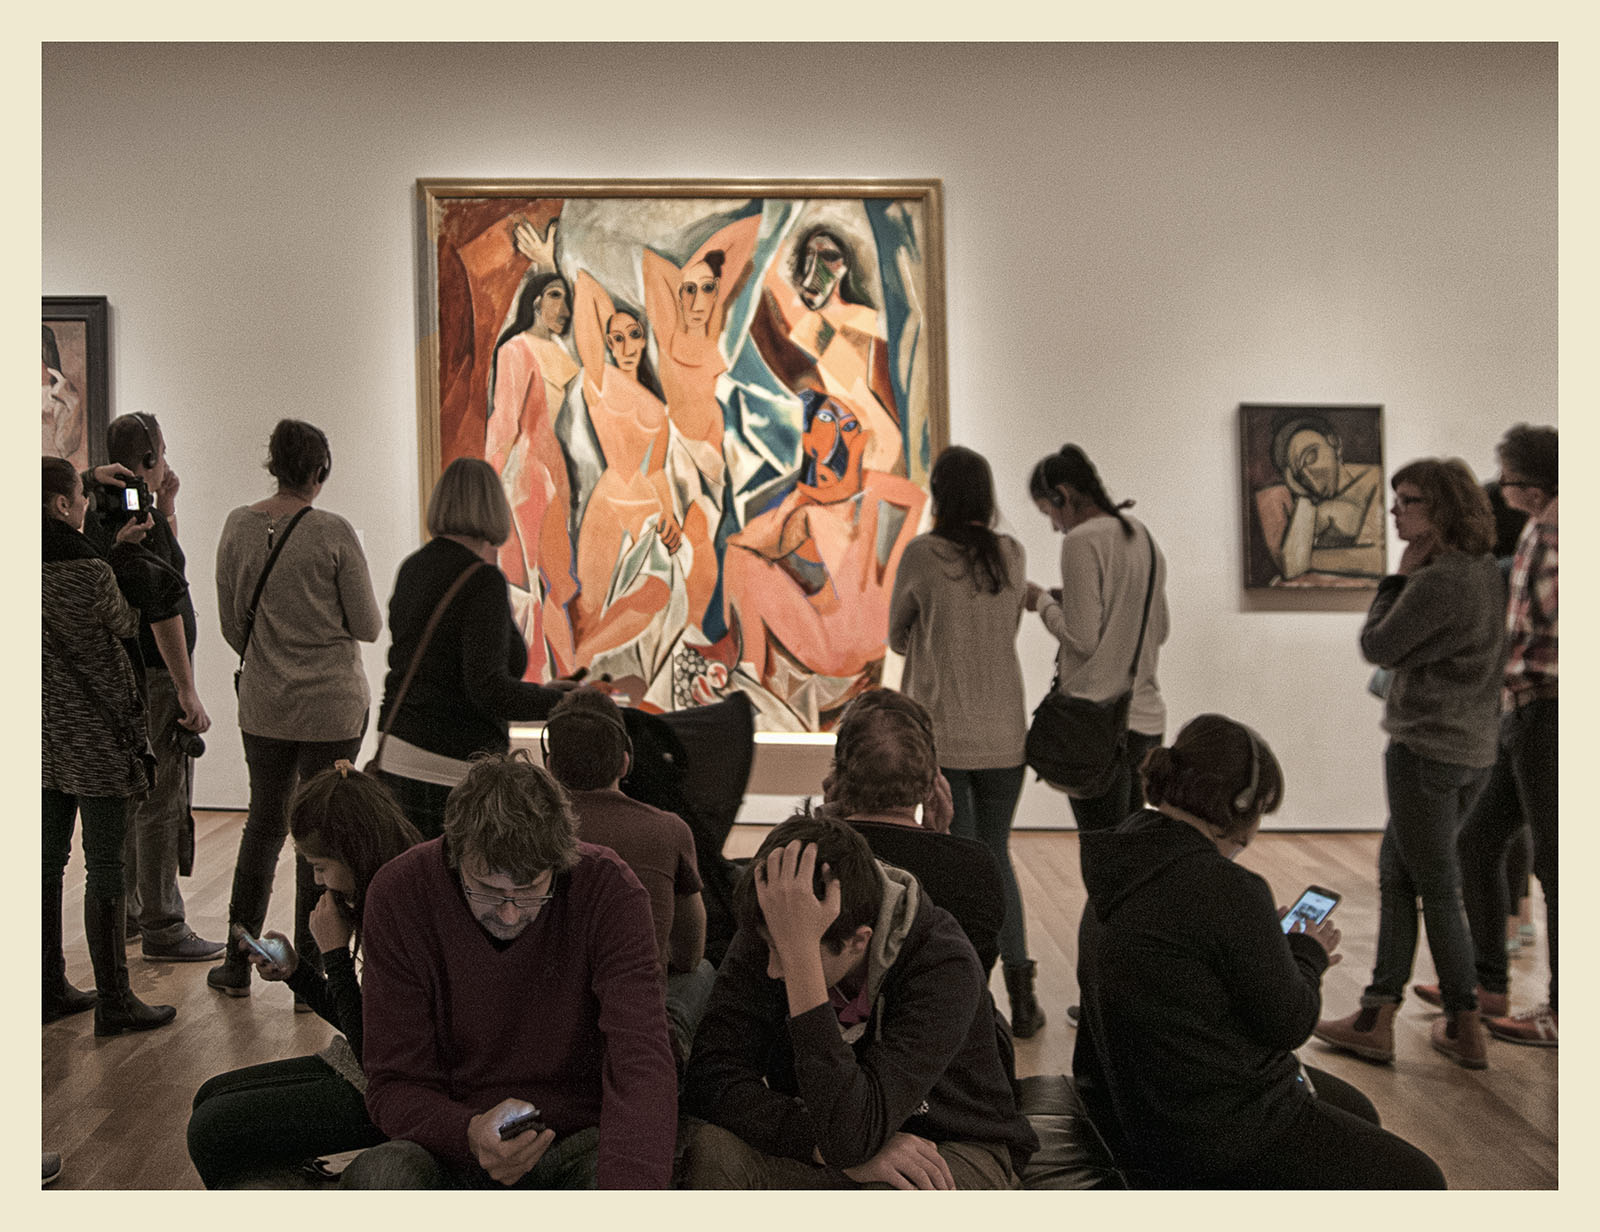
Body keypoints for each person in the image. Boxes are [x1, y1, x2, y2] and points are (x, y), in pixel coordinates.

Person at [1073, 713, 1445, 1188]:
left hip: (1132, 1105)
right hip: (1209, 1129)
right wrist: (1306, 955)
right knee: (1421, 1180)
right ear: (1242, 807)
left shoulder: (1123, 855)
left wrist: (1264, 946)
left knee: (1358, 1109)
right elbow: (1290, 1023)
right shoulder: (1227, 889)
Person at [341, 750, 677, 1189]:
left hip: (578, 1139)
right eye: (486, 889)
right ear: (455, 854)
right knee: (382, 1176)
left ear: (560, 863)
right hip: (452, 1145)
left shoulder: (609, 888)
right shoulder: (399, 892)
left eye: (531, 889)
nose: (510, 913)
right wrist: (467, 1132)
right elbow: (393, 1084)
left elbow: (641, 1060)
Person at [682, 813, 1037, 1189]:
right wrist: (816, 1143)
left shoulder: (943, 962)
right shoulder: (778, 926)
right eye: (771, 947)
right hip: (830, 1135)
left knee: (889, 1193)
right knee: (712, 1151)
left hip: (952, 1142)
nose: (771, 969)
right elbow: (710, 1078)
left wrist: (802, 967)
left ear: (858, 941)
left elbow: (849, 1138)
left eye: (787, 953)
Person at [1315, 459, 1505, 1069]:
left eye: (1408, 501)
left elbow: (1378, 645)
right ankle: (1376, 1013)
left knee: (1438, 890)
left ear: (1442, 508)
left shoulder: (1437, 580)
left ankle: (1465, 1023)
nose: (1395, 512)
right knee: (1397, 876)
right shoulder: (1482, 570)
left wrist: (1394, 581)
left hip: (1426, 751)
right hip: (1471, 749)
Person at [208, 419, 383, 1002]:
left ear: (273, 465)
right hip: (331, 705)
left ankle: (237, 963)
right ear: (319, 470)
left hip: (264, 703)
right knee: (319, 833)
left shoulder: (237, 526)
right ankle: (315, 972)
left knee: (263, 824)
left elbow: (232, 626)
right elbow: (368, 625)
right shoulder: (333, 531)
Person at [187, 763, 422, 1187]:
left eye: (321, 866)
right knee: (209, 1099)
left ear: (354, 853)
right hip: (372, 1068)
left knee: (211, 1130)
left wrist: (335, 955)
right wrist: (297, 972)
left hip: (400, 1091)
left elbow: (374, 1054)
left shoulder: (399, 910)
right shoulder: (380, 889)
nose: (316, 880)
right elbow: (365, 1025)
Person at [888, 445, 1042, 1035]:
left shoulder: (923, 554)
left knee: (958, 861)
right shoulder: (1012, 554)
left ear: (940, 494)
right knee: (996, 854)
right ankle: (1023, 992)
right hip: (1005, 732)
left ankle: (968, 992)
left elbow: (897, 636)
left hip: (944, 732)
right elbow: (1006, 626)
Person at [1421, 426, 1557, 1047]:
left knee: (1556, 864)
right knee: (1476, 842)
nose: (1500, 491)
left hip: (1548, 711)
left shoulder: (1556, 534)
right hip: (1525, 710)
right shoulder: (1537, 530)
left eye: (1507, 481)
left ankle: (1561, 1010)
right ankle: (1488, 984)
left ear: (1532, 486)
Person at [81, 413, 222, 963]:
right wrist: (187, 689)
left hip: (124, 674)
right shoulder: (134, 524)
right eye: (162, 453)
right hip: (157, 676)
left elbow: (166, 567)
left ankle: (131, 913)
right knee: (160, 800)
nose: (166, 462)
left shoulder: (101, 518)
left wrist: (168, 505)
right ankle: (164, 924)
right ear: (147, 459)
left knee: (136, 795)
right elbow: (163, 602)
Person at [42, 456, 175, 1035]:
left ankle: (46, 986)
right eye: (79, 495)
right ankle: (115, 1000)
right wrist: (119, 554)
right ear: (60, 505)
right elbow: (124, 623)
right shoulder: (90, 572)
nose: (86, 503)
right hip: (96, 737)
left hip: (41, 736)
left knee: (46, 864)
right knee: (104, 866)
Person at [372, 457, 563, 837]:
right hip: (453, 764)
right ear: (493, 506)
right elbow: (487, 688)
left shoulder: (412, 568)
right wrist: (562, 703)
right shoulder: (483, 581)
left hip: (397, 750)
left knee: (412, 872)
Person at [542, 686, 713, 1071]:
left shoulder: (527, 831)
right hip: (636, 1032)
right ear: (624, 763)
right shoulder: (669, 830)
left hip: (547, 1027)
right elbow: (690, 953)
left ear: (549, 764)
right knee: (703, 972)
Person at [821, 689, 1011, 998]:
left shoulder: (801, 858)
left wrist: (826, 828)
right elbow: (974, 978)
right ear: (932, 782)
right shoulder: (976, 868)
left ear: (839, 778)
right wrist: (943, 840)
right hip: (947, 1026)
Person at [1025, 444, 1169, 832]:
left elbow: (1083, 639)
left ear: (1063, 495)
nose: (1055, 526)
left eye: (1049, 512)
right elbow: (1160, 629)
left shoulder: (1081, 541)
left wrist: (1041, 602)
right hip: (1146, 718)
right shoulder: (1141, 535)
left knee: (1100, 849)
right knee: (1132, 848)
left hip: (1095, 726)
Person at [484, 268, 579, 680]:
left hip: (550, 472)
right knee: (527, 583)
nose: (564, 307)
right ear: (536, 300)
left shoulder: (557, 351)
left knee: (556, 583)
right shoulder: (515, 349)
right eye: (555, 295)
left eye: (566, 298)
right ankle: (534, 677)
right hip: (522, 478)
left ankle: (567, 678)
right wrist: (490, 487)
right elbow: (504, 424)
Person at [1256, 414, 1385, 584]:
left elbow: (1378, 560)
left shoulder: (1375, 478)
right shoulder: (1310, 503)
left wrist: (1306, 558)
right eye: (1299, 475)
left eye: (1311, 457)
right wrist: (1303, 496)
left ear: (1334, 443)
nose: (1309, 478)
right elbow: (1292, 565)